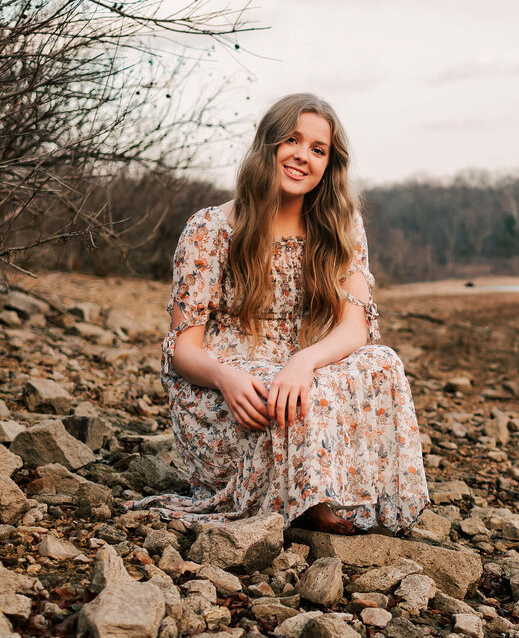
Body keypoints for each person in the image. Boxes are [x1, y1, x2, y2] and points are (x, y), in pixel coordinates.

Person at [132, 93, 429, 534]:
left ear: (329, 164)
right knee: (284, 388)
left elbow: (356, 326)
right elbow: (182, 349)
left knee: (383, 364)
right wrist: (224, 377)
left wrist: (303, 360)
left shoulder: (342, 227)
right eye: (292, 140)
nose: (301, 156)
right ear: (268, 144)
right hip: (230, 391)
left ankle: (322, 490)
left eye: (317, 149)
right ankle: (305, 500)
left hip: (298, 371)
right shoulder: (210, 228)